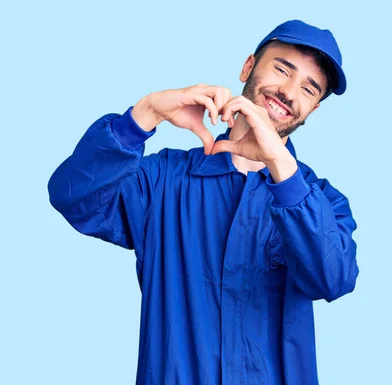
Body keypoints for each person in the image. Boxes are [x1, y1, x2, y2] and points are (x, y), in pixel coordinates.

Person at [48, 19, 359, 385]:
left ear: (313, 109)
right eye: (281, 69)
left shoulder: (321, 201)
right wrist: (143, 115)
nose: (289, 92)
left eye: (309, 89)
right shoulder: (164, 179)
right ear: (248, 67)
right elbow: (74, 196)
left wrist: (282, 170)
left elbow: (333, 279)